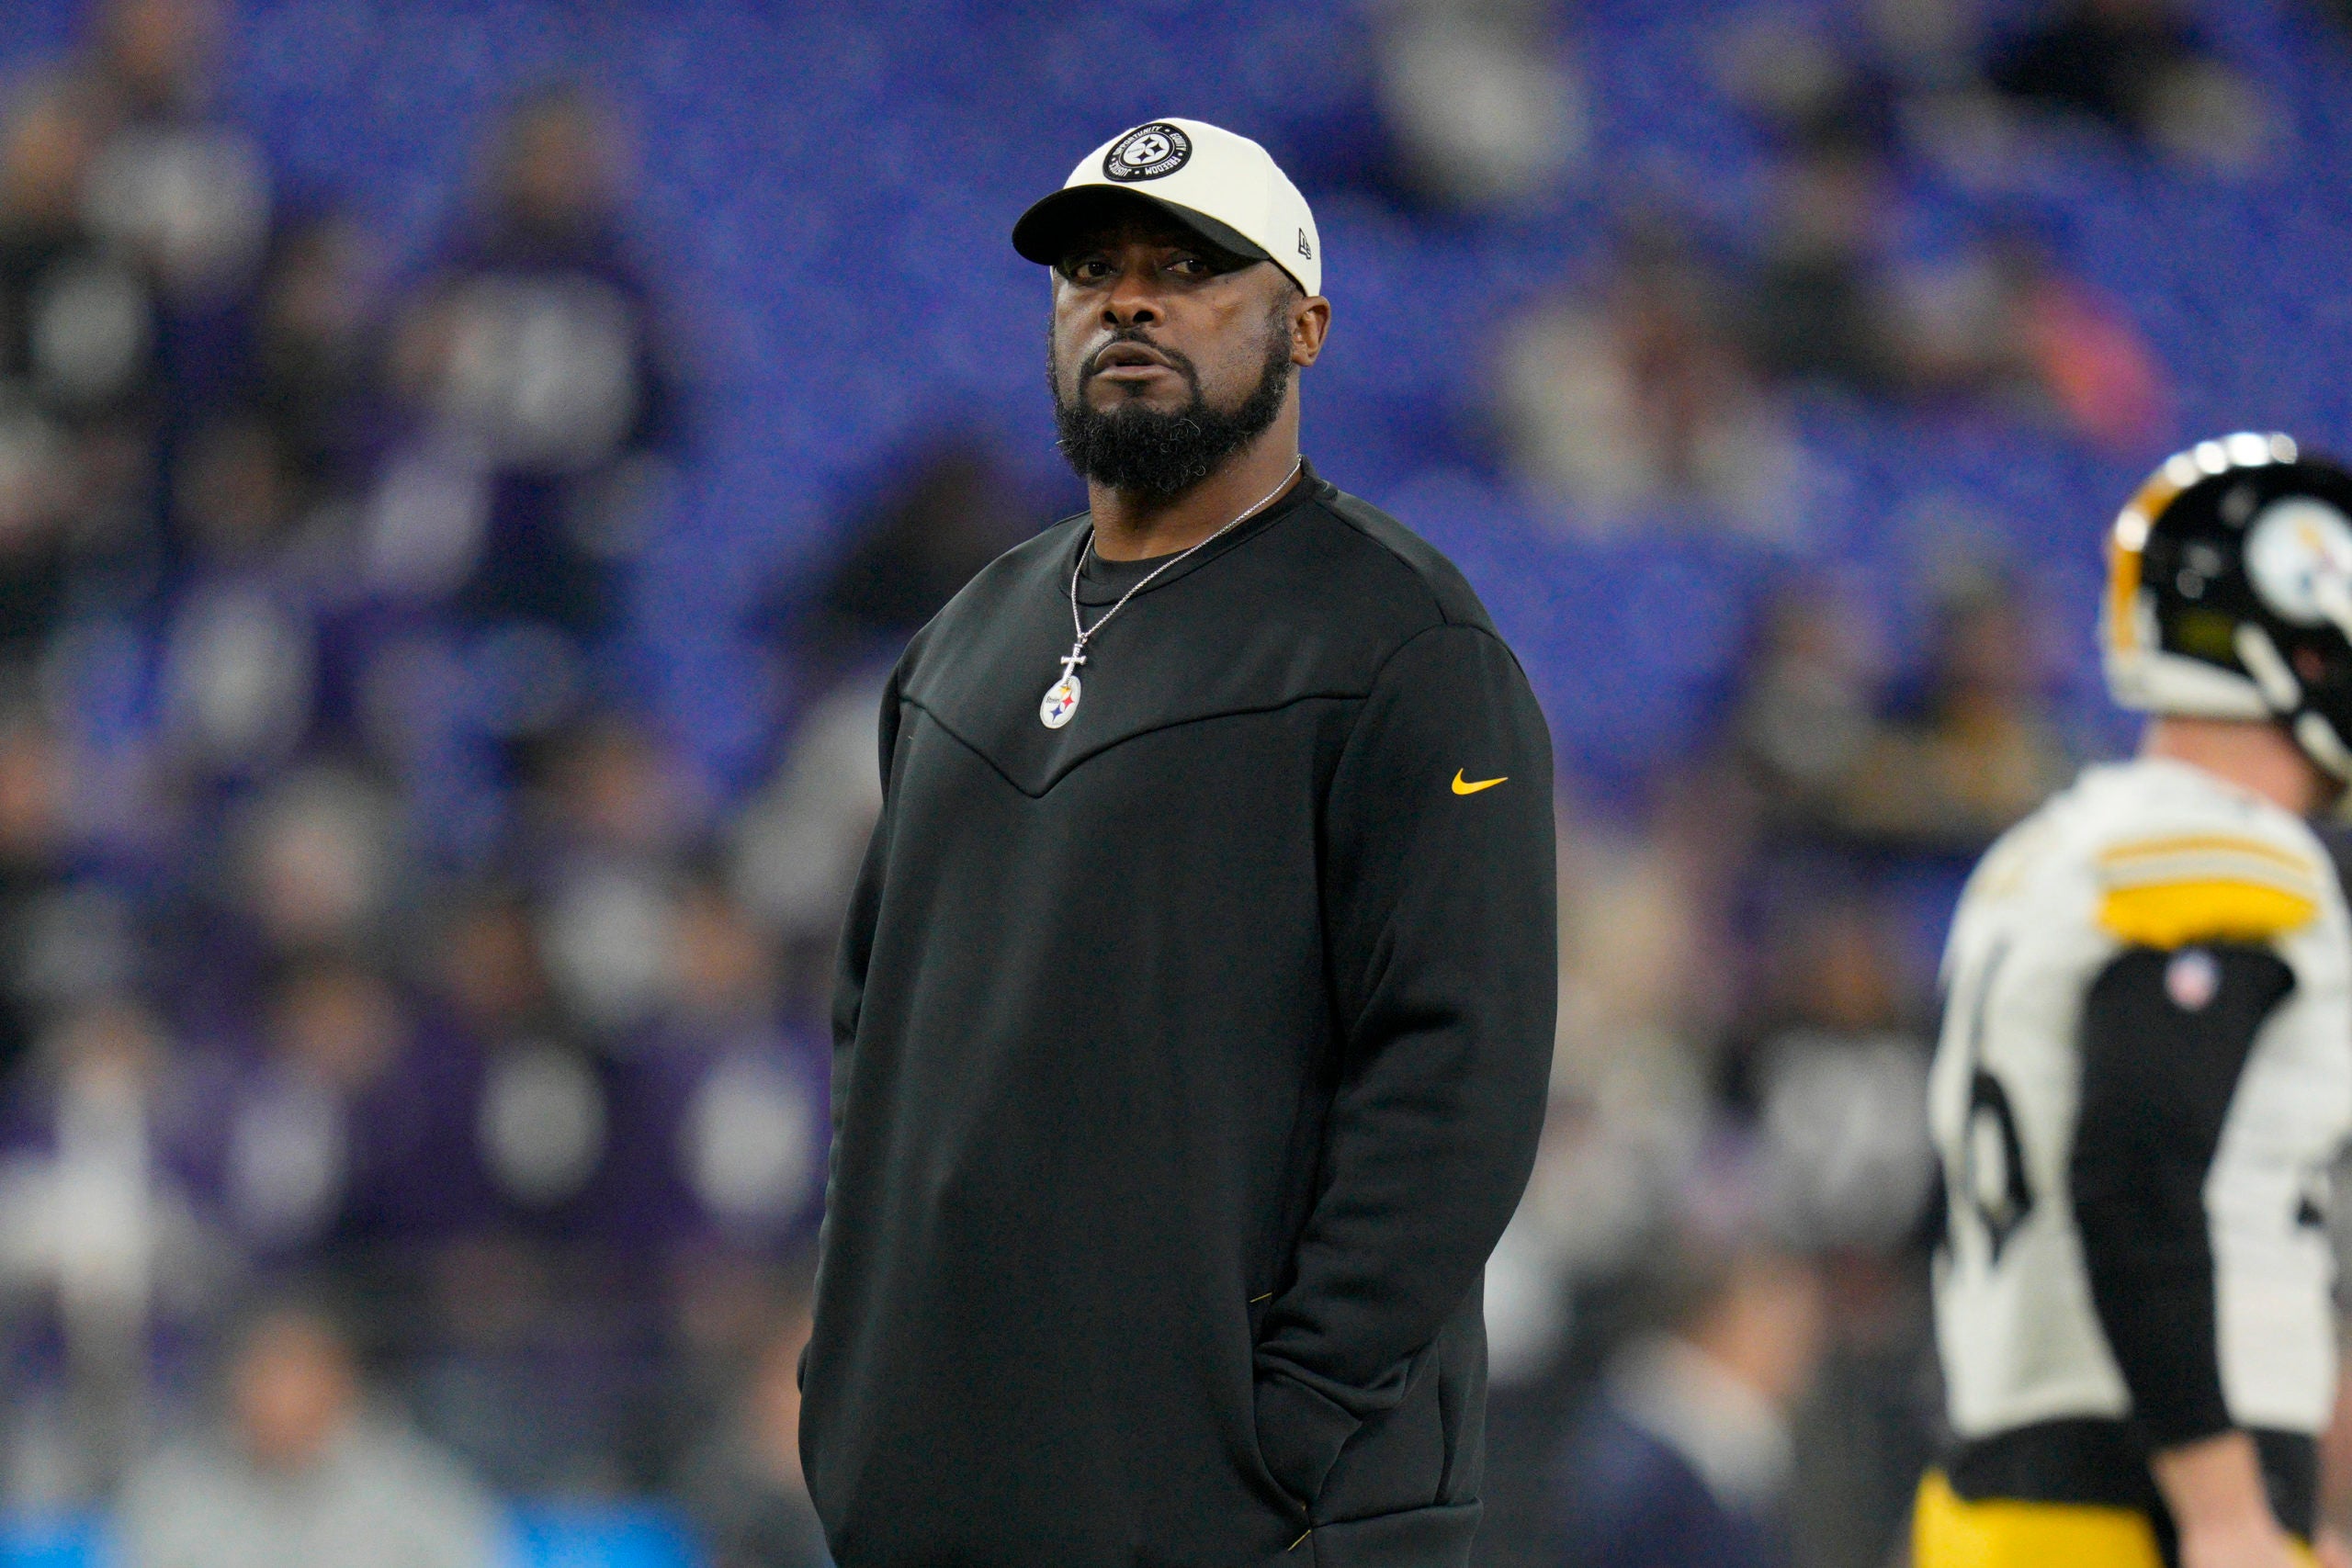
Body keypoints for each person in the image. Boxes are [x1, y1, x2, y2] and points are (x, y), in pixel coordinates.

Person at [797, 118, 1557, 1568]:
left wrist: (1285, 1421)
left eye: (1192, 267)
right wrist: (858, 1374)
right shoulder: (963, 641)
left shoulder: (1404, 641)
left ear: (1306, 326)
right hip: (946, 1493)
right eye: (1093, 269)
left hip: (1255, 1516)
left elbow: (1460, 1069)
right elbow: (869, 1030)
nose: (1129, 300)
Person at [1917, 434, 2352, 1568]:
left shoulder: (2046, 853)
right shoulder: (2217, 844)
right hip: (2136, 1506)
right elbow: (2135, 1175)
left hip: (2005, 1487)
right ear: (2307, 641)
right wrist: (2225, 1511)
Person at [118, 1298, 499, 1568]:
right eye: (268, 1376)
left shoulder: (423, 1493)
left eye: (299, 1374)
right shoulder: (174, 1497)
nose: (283, 1398)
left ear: (341, 1382)